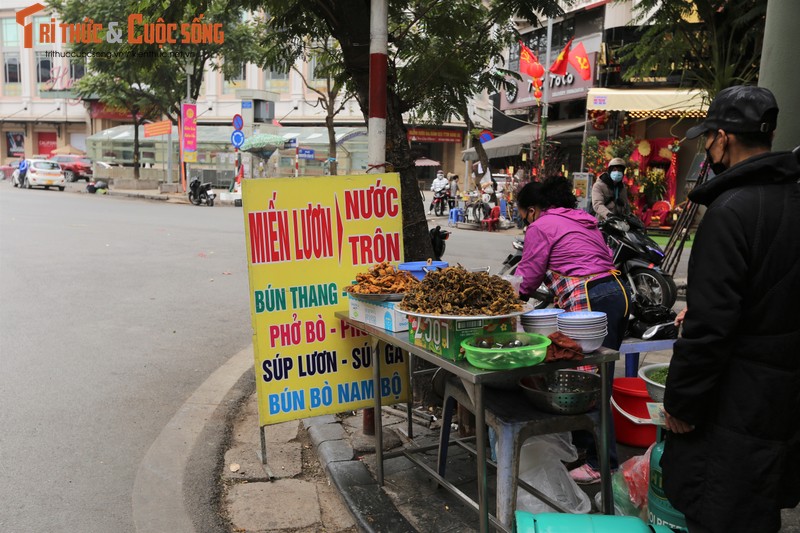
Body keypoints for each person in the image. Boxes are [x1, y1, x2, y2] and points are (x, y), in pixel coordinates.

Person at [661, 85, 800, 533]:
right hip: (781, 396)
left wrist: (681, 401)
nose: (706, 148)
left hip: (733, 401)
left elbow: (710, 327)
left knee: (720, 510)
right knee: (760, 509)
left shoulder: (730, 210)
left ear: (724, 139)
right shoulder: (791, 198)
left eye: (708, 139)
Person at [516, 176, 632, 484]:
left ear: (531, 210)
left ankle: (601, 464)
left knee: (591, 383)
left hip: (590, 297)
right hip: (617, 292)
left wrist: (509, 300)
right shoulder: (581, 219)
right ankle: (585, 448)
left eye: (521, 214)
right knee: (597, 376)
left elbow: (527, 278)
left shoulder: (541, 226)